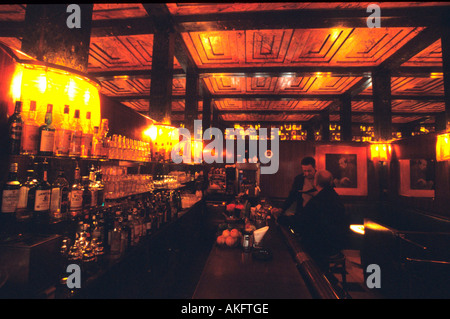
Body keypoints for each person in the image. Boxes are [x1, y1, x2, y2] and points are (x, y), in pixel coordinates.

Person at [295, 170, 348, 270]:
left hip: (322, 245)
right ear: (330, 182)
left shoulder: (318, 200)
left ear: (316, 182)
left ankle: (314, 275)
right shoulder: (334, 196)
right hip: (336, 243)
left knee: (297, 245)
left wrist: (283, 219)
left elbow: (302, 222)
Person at [274, 156, 317, 231]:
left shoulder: (320, 178)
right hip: (301, 214)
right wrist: (282, 209)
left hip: (316, 216)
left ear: (315, 167)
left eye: (309, 171)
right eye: (304, 171)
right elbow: (292, 196)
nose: (307, 173)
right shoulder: (299, 179)